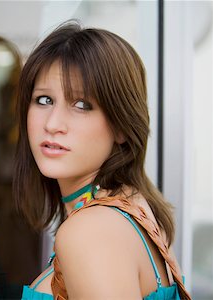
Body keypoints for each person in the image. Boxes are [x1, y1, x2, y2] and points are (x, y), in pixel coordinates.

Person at [14, 21, 191, 299]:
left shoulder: (91, 231)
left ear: (121, 126)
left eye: (82, 105)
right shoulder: (132, 203)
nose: (53, 123)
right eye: (44, 100)